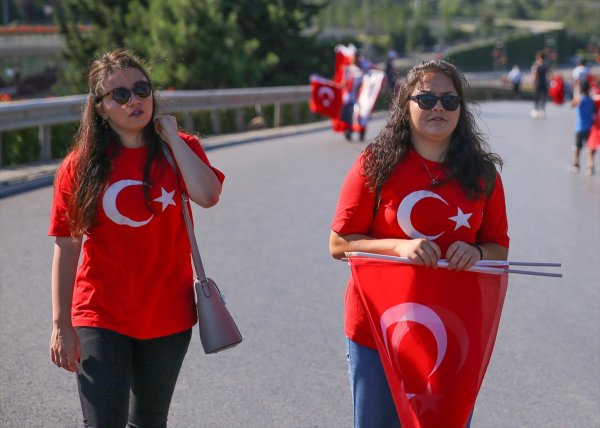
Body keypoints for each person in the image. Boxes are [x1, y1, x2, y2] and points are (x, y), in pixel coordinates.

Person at [48, 49, 224, 427]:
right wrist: (61, 324)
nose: (135, 101)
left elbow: (207, 196)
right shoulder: (79, 167)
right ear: (100, 108)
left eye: (141, 89)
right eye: (121, 95)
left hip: (168, 315)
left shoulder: (181, 148)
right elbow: (67, 246)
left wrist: (174, 140)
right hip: (100, 313)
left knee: (148, 422)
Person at [329, 59, 509, 428]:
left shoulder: (483, 174)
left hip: (452, 330)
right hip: (379, 328)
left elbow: (498, 251)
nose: (438, 108)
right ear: (405, 105)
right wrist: (398, 248)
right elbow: (339, 243)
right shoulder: (374, 164)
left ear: (461, 108)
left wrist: (475, 252)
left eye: (449, 100)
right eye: (426, 99)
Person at [569, 80, 596, 173]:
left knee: (577, 147)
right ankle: (590, 166)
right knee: (590, 148)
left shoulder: (580, 99)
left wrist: (576, 93)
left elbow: (571, 105)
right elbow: (594, 112)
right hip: (590, 127)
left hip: (580, 127)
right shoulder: (591, 100)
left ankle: (576, 164)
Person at [530, 51, 551, 118]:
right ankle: (542, 110)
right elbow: (549, 74)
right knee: (544, 96)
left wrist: (533, 82)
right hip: (544, 82)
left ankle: (536, 110)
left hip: (538, 82)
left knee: (537, 96)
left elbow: (534, 74)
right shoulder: (547, 64)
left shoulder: (536, 64)